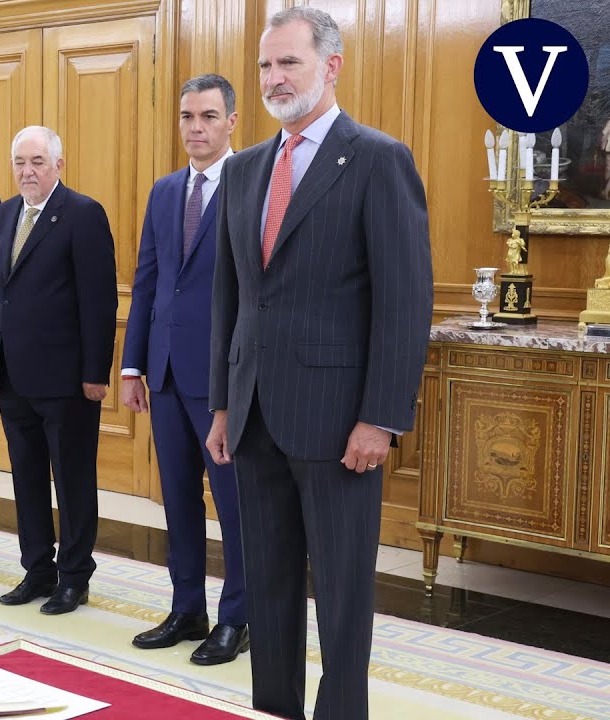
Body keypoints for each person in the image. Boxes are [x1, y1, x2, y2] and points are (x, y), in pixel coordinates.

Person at [206, 8, 433, 719]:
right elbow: (229, 297)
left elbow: (404, 301)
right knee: (268, 591)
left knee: (340, 597)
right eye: (265, 65)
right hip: (254, 417)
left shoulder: (378, 159)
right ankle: (273, 709)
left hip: (340, 426)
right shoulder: (243, 169)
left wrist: (381, 418)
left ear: (331, 66)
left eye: (289, 63)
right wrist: (222, 403)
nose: (274, 78)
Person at [121, 74, 248, 665]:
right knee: (177, 499)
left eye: (208, 116)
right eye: (187, 117)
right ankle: (186, 607)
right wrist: (132, 364)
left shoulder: (251, 184)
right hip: (166, 373)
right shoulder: (165, 190)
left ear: (231, 121)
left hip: (224, 378)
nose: (195, 128)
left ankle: (237, 618)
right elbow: (148, 279)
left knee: (234, 506)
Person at [0, 126, 117, 616]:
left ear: (58, 165)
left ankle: (74, 577)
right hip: (13, 373)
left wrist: (95, 372)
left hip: (66, 379)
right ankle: (37, 569)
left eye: (38, 161)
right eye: (20, 162)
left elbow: (99, 300)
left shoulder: (83, 214)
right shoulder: (4, 214)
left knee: (72, 480)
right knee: (26, 478)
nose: (28, 171)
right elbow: (0, 293)